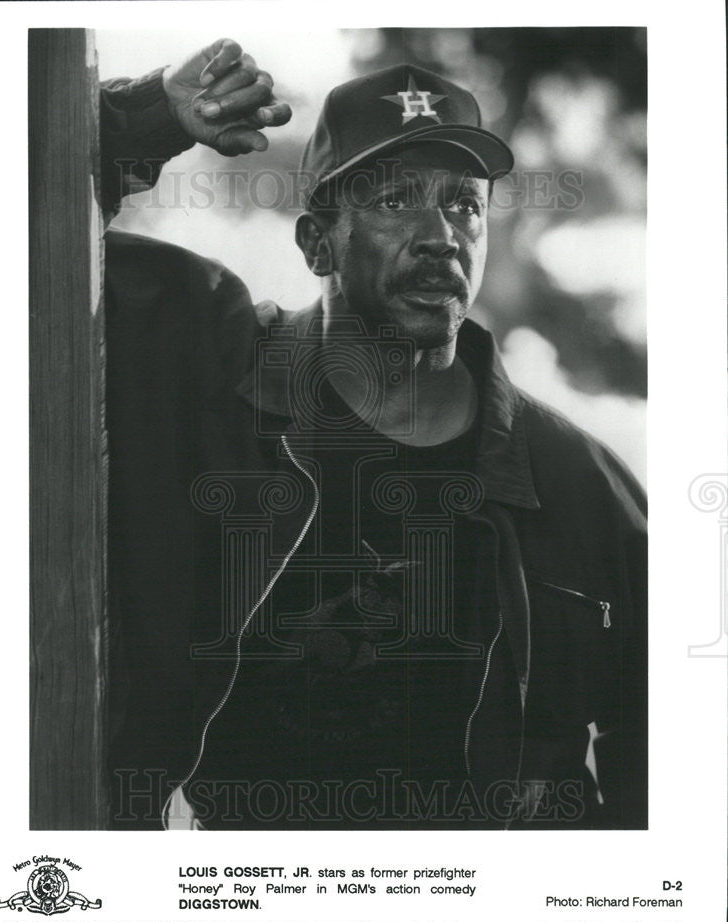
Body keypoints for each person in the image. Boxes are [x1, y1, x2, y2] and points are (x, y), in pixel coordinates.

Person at [101, 39, 647, 831]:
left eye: (462, 202)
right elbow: (15, 237)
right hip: (241, 915)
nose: (440, 234)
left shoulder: (574, 479)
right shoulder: (201, 369)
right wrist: (144, 117)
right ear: (317, 242)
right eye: (394, 201)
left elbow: (665, 746)